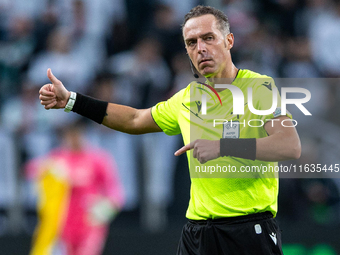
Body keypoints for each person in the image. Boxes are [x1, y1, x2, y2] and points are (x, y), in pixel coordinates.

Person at [39, 5, 301, 255]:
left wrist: (222, 146)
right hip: (197, 233)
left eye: (209, 38)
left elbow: (289, 146)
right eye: (192, 42)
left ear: (229, 40)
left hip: (247, 230)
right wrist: (72, 101)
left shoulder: (259, 88)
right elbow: (133, 120)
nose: (201, 49)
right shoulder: (188, 97)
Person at [25, 121, 124, 255]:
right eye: (70, 135)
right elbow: (30, 169)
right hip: (64, 225)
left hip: (90, 223)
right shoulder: (58, 158)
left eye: (77, 134)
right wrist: (49, 168)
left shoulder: (98, 159)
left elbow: (115, 193)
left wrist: (105, 210)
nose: (74, 138)